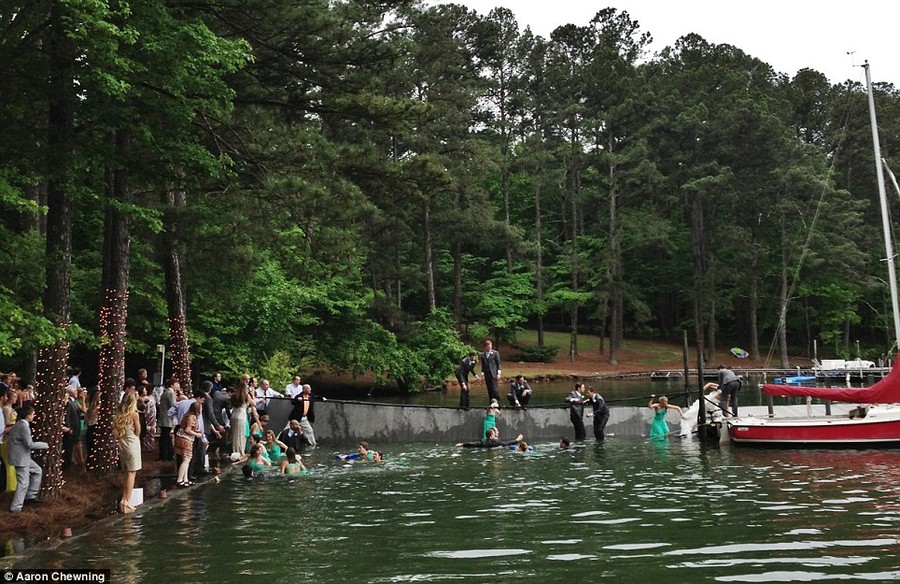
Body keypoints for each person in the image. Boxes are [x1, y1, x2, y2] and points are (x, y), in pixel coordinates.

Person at [8, 405, 48, 512]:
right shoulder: (23, 426)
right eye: (33, 414)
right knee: (23, 483)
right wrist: (45, 445)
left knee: (37, 470)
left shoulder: (19, 424)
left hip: (23, 457)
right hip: (20, 458)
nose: (34, 416)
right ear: (28, 415)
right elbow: (29, 444)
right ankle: (16, 507)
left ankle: (31, 495)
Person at [113, 393, 142, 513]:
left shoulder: (117, 415)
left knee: (127, 472)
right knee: (131, 473)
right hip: (132, 444)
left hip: (122, 444)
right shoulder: (134, 415)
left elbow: (114, 431)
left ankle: (124, 499)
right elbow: (138, 431)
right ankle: (126, 501)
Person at [174, 401, 202, 487]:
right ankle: (179, 480)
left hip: (180, 437)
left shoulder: (188, 415)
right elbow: (187, 429)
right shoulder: (192, 417)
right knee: (186, 460)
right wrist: (196, 434)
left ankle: (185, 479)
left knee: (185, 460)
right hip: (185, 439)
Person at [230, 382, 255, 456]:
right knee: (241, 435)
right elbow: (254, 404)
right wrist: (252, 395)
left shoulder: (234, 395)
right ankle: (240, 453)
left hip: (234, 415)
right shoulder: (246, 396)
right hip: (241, 416)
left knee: (235, 435)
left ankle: (234, 451)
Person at [157, 379, 177, 461]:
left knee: (164, 438)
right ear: (172, 385)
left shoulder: (165, 393)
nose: (177, 386)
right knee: (166, 438)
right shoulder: (170, 393)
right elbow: (173, 406)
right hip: (168, 420)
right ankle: (166, 455)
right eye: (176, 384)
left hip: (163, 418)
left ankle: (165, 454)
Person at [456, 427, 523, 448]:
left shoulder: (483, 442)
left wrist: (462, 444)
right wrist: (517, 440)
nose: (495, 434)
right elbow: (507, 443)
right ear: (491, 435)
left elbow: (472, 444)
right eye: (494, 434)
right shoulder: (496, 442)